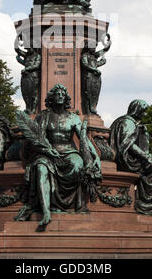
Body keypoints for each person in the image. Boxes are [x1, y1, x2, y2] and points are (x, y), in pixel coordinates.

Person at [15, 84, 102, 231]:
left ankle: (73, 204)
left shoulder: (73, 118)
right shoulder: (43, 117)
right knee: (41, 168)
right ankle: (46, 211)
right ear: (51, 98)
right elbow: (35, 141)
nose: (60, 96)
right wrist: (49, 152)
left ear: (66, 98)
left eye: (63, 94)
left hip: (69, 153)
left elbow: (84, 140)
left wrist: (96, 158)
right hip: (47, 154)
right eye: (57, 94)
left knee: (77, 166)